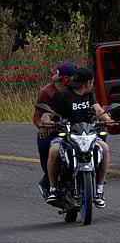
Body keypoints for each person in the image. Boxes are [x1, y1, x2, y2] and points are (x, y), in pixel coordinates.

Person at [40, 67, 116, 208]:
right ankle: (53, 190)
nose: (92, 85)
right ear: (87, 83)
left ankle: (99, 190)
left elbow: (98, 110)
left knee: (104, 148)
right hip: (66, 136)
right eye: (92, 82)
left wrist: (108, 120)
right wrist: (46, 120)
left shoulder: (89, 95)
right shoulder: (63, 95)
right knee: (54, 150)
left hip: (88, 135)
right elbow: (49, 114)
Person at [32, 62, 77, 190]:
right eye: (73, 77)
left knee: (101, 133)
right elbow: (37, 115)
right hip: (56, 127)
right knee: (43, 140)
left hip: (76, 126)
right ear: (65, 78)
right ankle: (48, 174)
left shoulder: (78, 89)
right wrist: (42, 125)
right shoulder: (46, 92)